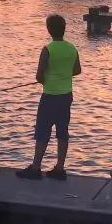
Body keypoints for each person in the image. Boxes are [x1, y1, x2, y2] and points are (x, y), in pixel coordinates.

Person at [16, 14, 81, 180]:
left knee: (43, 131)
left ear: (49, 30)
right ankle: (60, 169)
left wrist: (48, 78)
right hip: (66, 96)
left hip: (50, 96)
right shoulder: (72, 48)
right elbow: (77, 70)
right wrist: (63, 74)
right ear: (64, 29)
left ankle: (36, 168)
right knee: (62, 132)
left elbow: (39, 76)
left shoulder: (48, 49)